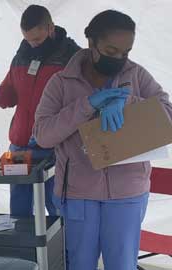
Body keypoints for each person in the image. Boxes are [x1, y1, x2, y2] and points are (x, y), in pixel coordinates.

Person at [33, 10, 172, 270]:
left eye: (125, 52)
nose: (119, 58)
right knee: (80, 263)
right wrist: (85, 105)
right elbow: (43, 135)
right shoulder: (61, 83)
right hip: (77, 194)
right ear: (91, 43)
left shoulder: (137, 75)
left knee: (121, 264)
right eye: (111, 50)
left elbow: (168, 117)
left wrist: (128, 102)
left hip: (127, 193)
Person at [0, 5, 80, 216]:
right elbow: (11, 93)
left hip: (56, 147)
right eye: (28, 39)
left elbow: (80, 103)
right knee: (20, 209)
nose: (32, 45)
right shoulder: (22, 56)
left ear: (50, 28)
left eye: (37, 40)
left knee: (58, 207)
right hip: (21, 146)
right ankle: (25, 249)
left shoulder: (72, 57)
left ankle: (63, 249)